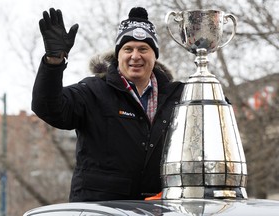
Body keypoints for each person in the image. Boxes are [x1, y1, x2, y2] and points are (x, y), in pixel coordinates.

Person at [32, 7, 184, 202]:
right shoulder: (92, 90)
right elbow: (47, 107)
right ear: (118, 55)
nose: (135, 56)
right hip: (98, 208)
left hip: (157, 208)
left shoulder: (177, 97)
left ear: (154, 56)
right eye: (128, 49)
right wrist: (53, 62)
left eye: (143, 49)